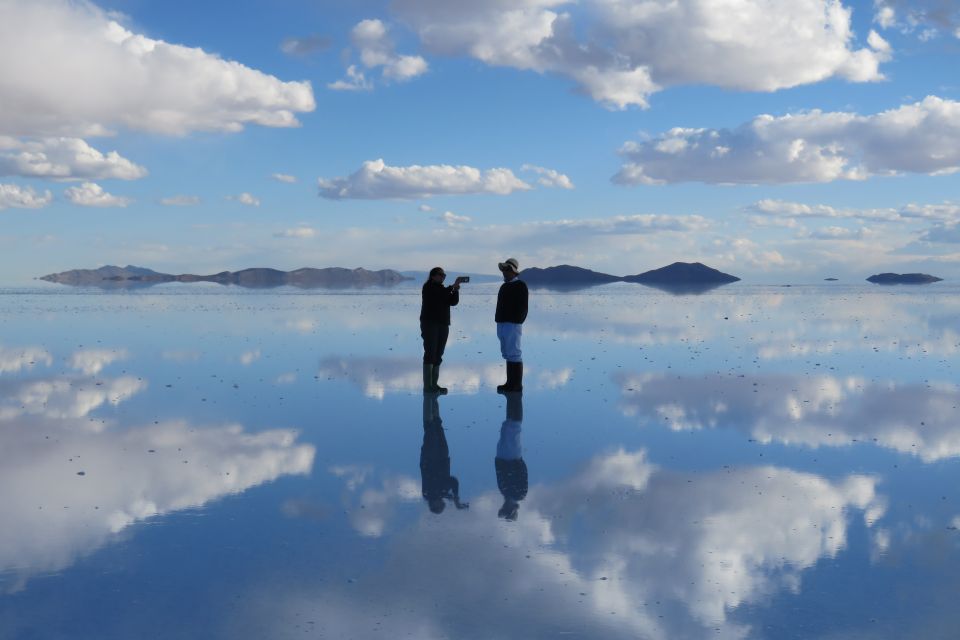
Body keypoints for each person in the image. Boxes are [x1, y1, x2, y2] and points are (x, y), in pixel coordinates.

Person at [420, 393, 469, 514]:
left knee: (430, 428)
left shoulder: (428, 494)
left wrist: (453, 498)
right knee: (437, 425)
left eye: (440, 506)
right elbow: (453, 481)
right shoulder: (441, 493)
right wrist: (453, 497)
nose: (443, 504)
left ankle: (428, 396)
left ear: (434, 505)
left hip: (430, 458)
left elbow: (439, 484)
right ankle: (434, 398)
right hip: (442, 458)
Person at [420, 267, 464, 393]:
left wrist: (455, 290)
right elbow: (438, 296)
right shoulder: (428, 287)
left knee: (439, 353)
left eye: (444, 275)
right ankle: (428, 386)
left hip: (443, 324)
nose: (443, 277)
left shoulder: (443, 289)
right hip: (430, 323)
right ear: (433, 276)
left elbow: (453, 302)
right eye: (440, 275)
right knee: (430, 352)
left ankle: (434, 384)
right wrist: (452, 287)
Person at [495, 258, 528, 393]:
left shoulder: (520, 285)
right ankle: (510, 383)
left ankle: (517, 384)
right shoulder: (504, 286)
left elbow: (523, 307)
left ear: (513, 272)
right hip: (502, 322)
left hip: (512, 324)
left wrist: (517, 320)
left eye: (507, 270)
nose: (504, 272)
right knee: (508, 353)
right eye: (504, 270)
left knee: (514, 353)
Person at [495, 392, 527, 520]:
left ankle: (511, 397)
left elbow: (499, 475)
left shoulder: (505, 493)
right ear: (512, 509)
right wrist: (517, 462)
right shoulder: (520, 494)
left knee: (507, 427)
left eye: (503, 509)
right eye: (506, 509)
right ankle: (516, 396)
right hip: (512, 458)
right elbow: (523, 474)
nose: (503, 507)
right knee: (513, 428)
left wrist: (497, 461)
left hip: (503, 458)